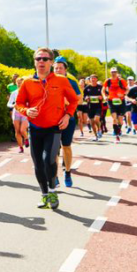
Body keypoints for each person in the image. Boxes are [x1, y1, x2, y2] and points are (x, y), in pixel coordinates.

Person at [16, 48, 78, 210]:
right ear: (34, 62)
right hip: (35, 128)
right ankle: (44, 194)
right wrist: (26, 111)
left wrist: (67, 116)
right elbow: (19, 104)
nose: (41, 62)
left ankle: (52, 191)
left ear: (51, 62)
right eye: (38, 59)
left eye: (44, 59)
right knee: (37, 164)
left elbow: (73, 101)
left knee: (48, 160)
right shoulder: (27, 83)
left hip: (54, 128)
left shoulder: (62, 81)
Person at [53, 57, 82, 186]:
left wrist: (65, 101)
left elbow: (79, 100)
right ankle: (54, 175)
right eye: (56, 68)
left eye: (60, 68)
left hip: (68, 119)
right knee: (54, 148)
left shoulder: (72, 83)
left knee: (66, 146)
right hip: (52, 119)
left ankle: (68, 172)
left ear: (65, 70)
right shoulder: (48, 81)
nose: (58, 70)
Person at [104, 68, 129, 142]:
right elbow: (103, 89)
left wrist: (123, 94)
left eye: (114, 72)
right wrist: (104, 96)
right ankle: (117, 134)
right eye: (112, 72)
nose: (113, 73)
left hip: (121, 101)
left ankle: (118, 130)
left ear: (117, 72)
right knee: (114, 118)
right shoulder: (108, 81)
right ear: (110, 73)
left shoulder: (121, 81)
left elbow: (127, 89)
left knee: (120, 120)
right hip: (111, 101)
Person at [8, 76, 29, 153]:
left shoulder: (28, 92)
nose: (19, 84)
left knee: (22, 130)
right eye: (18, 83)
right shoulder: (14, 93)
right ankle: (20, 147)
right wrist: (12, 105)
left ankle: (26, 138)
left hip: (24, 113)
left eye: (21, 83)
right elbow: (9, 103)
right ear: (16, 84)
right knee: (17, 131)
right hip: (16, 113)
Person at [83, 75, 105, 141]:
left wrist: (102, 97)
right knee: (92, 122)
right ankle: (96, 136)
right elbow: (84, 96)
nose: (93, 79)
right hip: (90, 107)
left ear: (96, 79)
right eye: (92, 78)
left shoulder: (100, 87)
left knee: (96, 119)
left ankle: (99, 130)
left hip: (98, 106)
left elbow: (105, 95)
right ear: (90, 80)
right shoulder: (87, 88)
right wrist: (86, 98)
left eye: (94, 78)